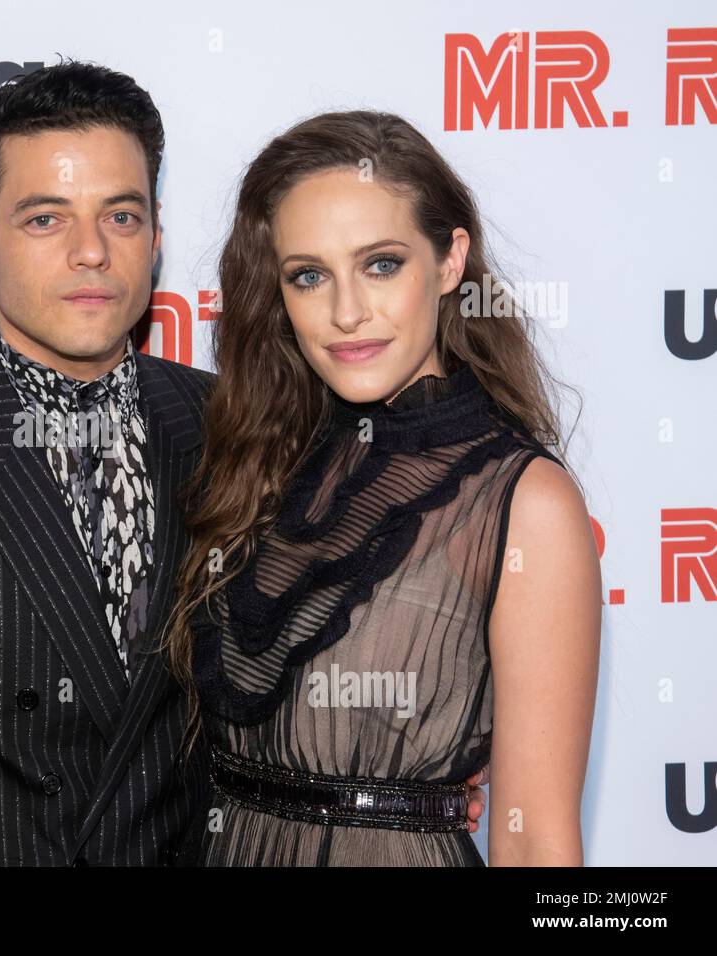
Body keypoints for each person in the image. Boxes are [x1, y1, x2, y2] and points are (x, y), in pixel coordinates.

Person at [0, 64, 482, 865]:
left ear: (156, 236)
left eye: (120, 216)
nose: (92, 252)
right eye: (46, 219)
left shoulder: (251, 429)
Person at [164, 110, 601, 866]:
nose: (345, 312)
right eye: (309, 276)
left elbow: (537, 845)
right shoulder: (257, 463)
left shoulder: (523, 503)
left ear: (450, 260)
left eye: (381, 264)